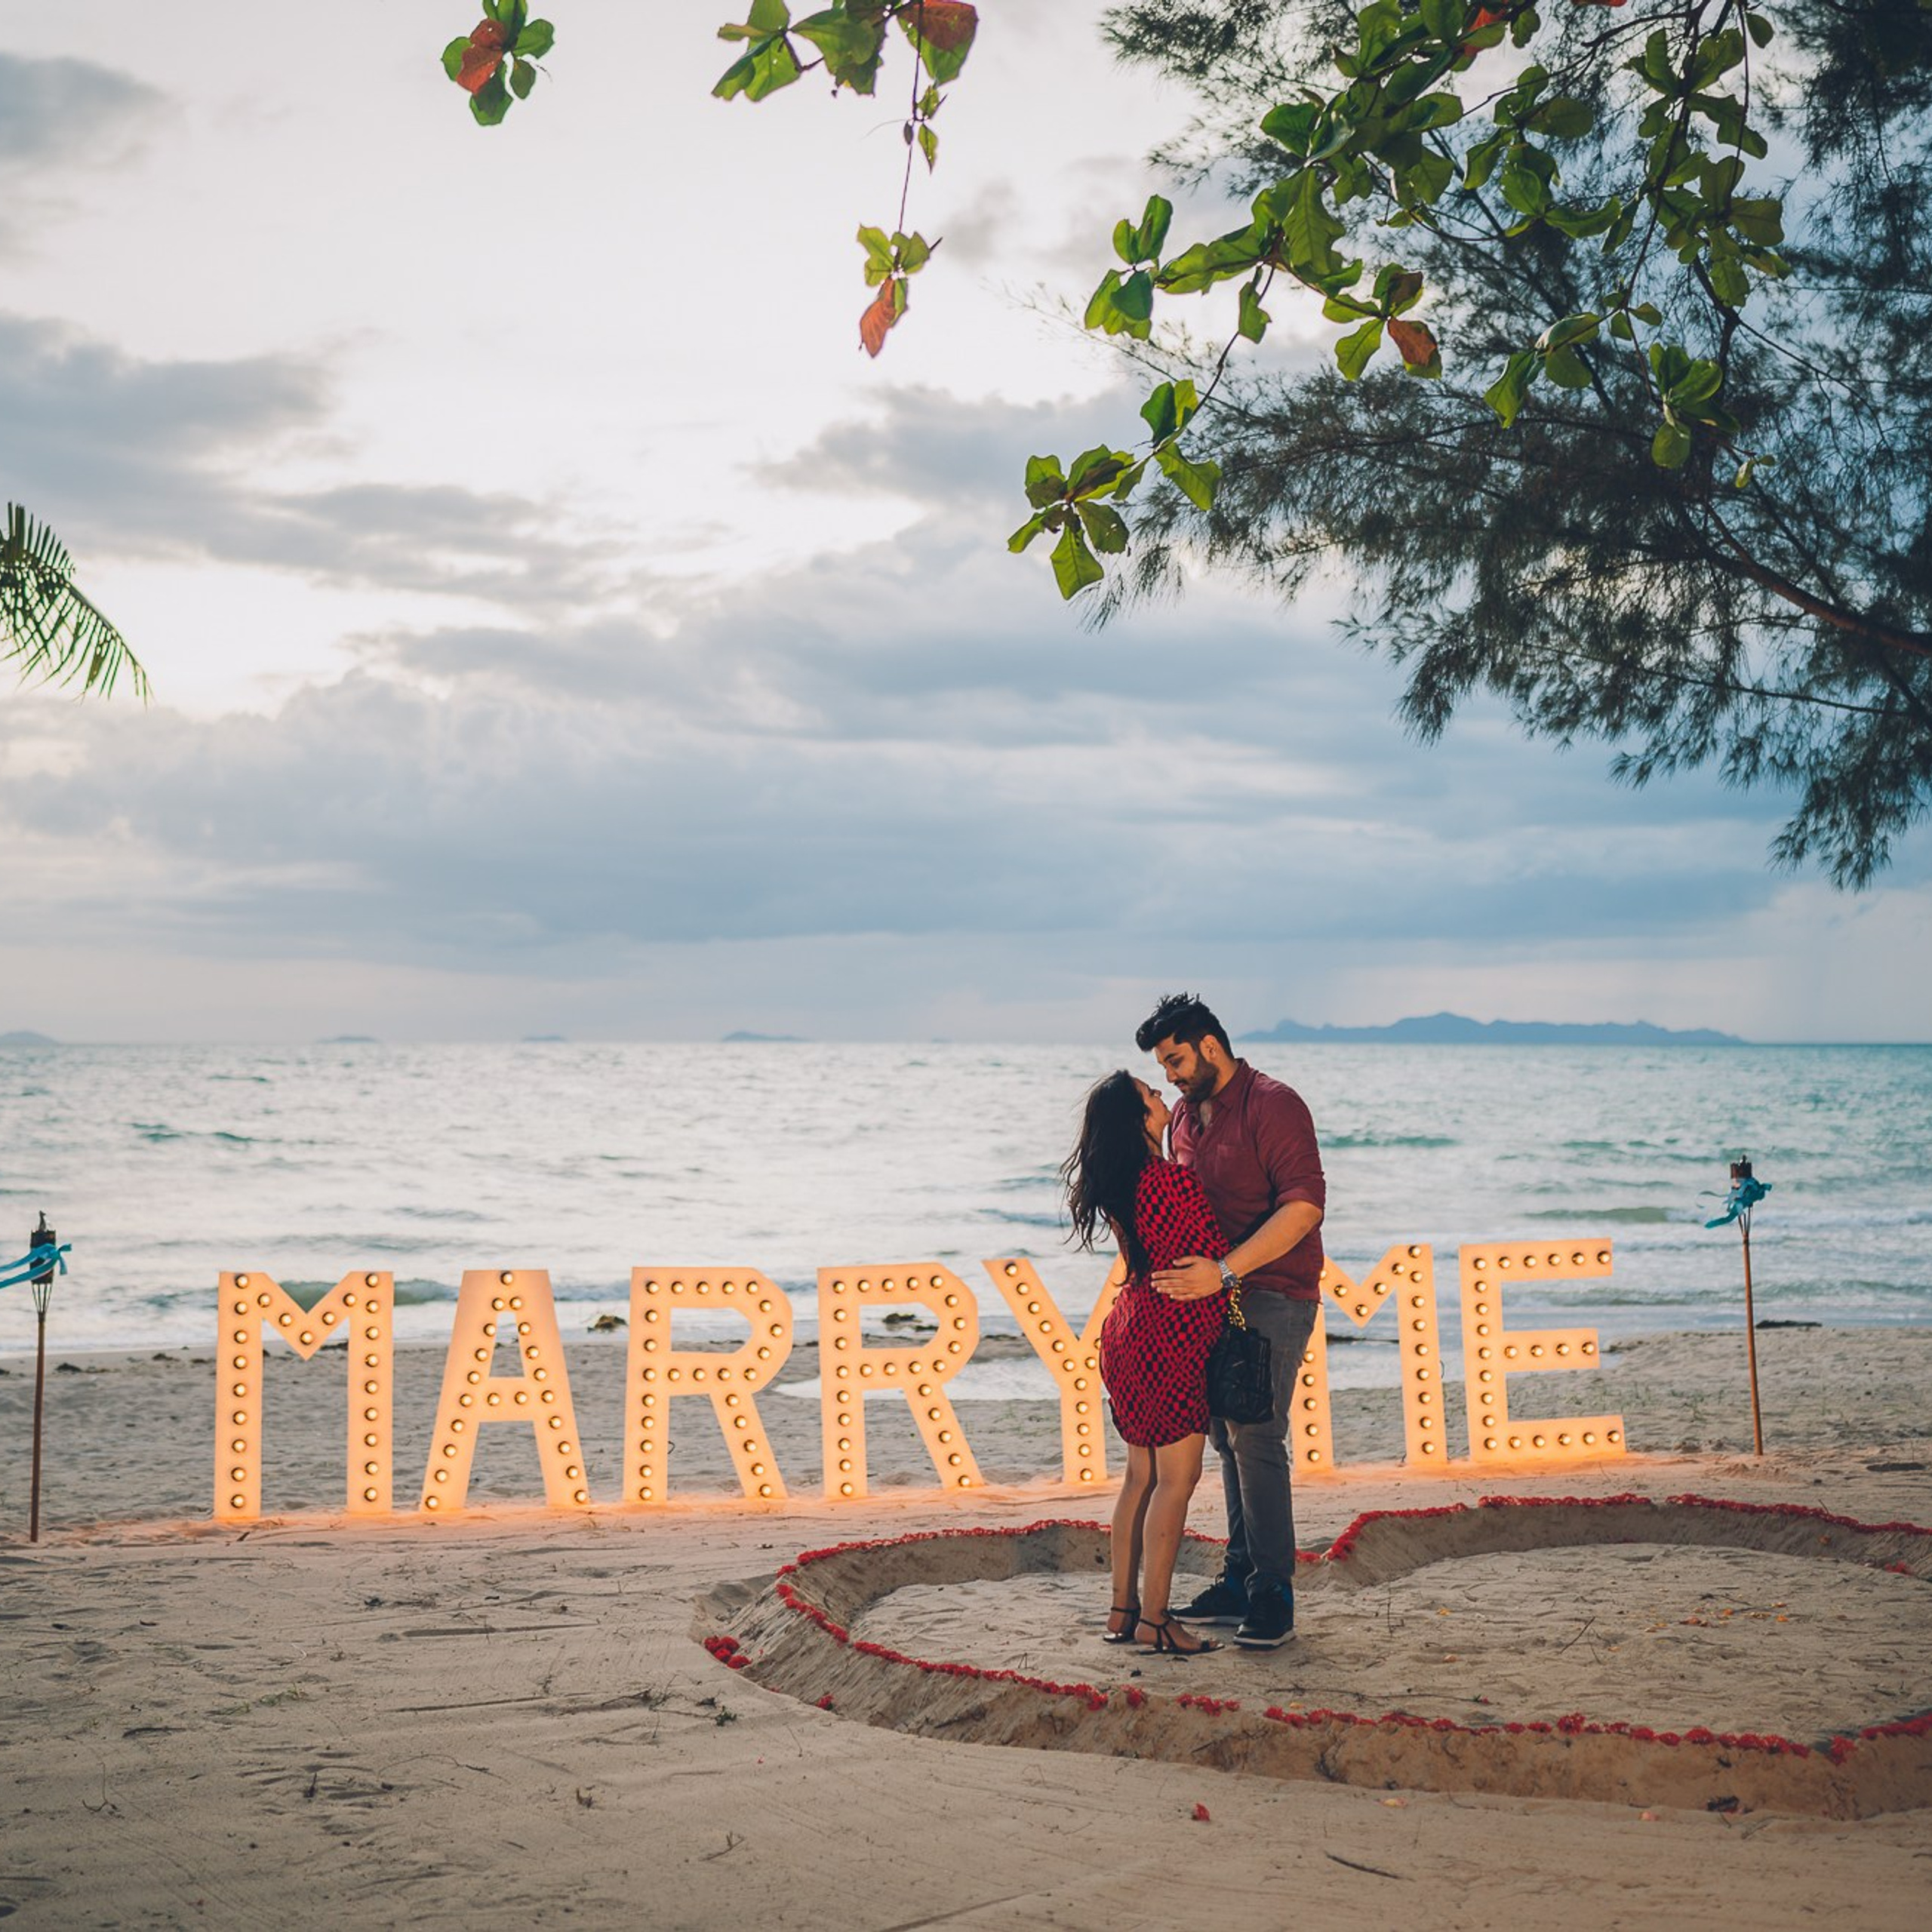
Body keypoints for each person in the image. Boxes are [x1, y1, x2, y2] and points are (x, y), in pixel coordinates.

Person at [1136, 992, 1326, 1648]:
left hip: (1275, 1290)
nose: (1171, 1076)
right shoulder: (1185, 1117)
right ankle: (1241, 1578)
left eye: (1176, 1061)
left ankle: (1274, 1592)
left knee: (1258, 1436)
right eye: (1164, 1067)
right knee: (1224, 1435)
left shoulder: (1275, 1104)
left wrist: (1223, 1271)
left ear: (1210, 1046)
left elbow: (1303, 1208)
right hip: (1209, 1299)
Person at [1062, 1069, 1229, 1657]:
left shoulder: (1121, 1182)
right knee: (1177, 1480)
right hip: (1169, 1335)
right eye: (1150, 1095)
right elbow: (1209, 1258)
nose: (1162, 1096)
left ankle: (1123, 1611)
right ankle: (1156, 1620)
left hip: (1128, 1328)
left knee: (1141, 1477)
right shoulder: (1168, 1181)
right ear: (1138, 1119)